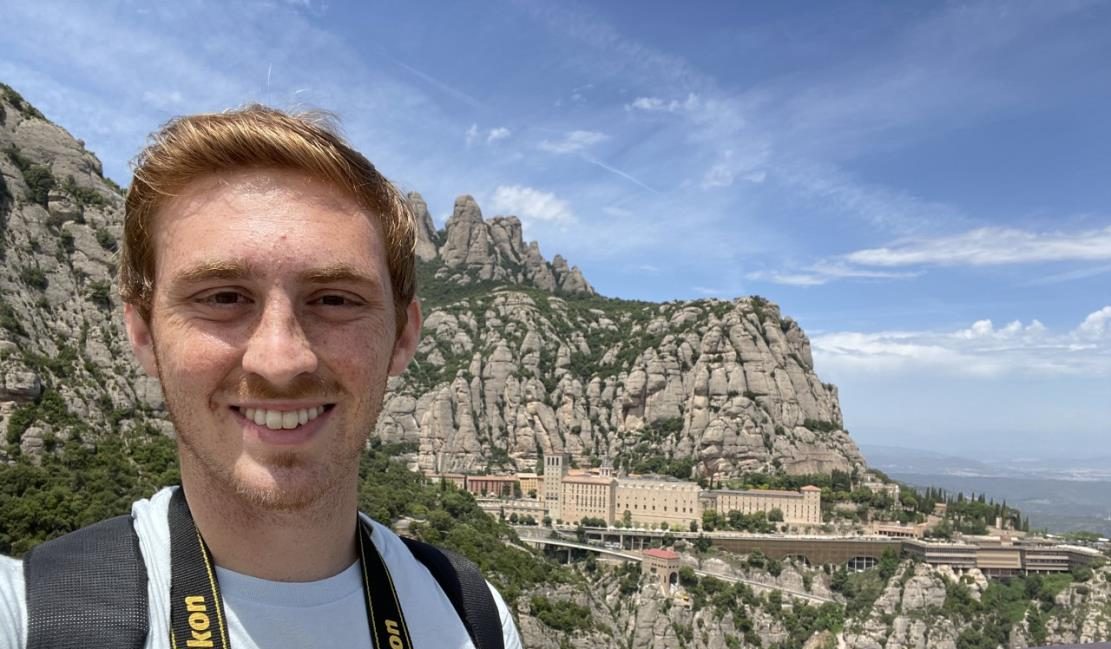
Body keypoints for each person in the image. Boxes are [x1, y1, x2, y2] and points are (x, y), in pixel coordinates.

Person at [0, 106, 522, 649]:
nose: (279, 359)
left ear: (403, 336)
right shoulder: (31, 616)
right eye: (223, 297)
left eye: (335, 299)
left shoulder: (471, 617)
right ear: (144, 333)